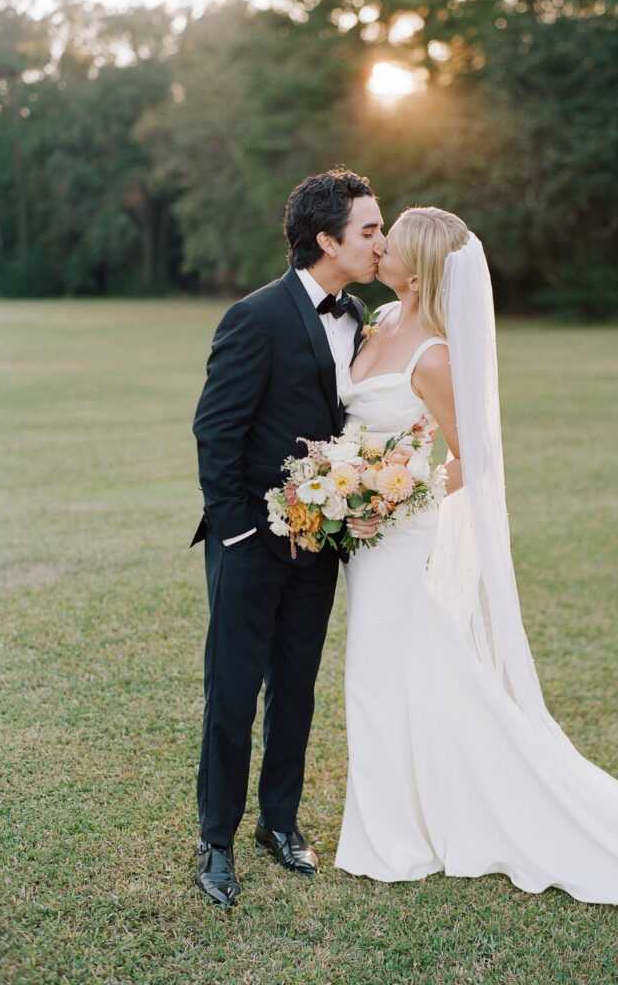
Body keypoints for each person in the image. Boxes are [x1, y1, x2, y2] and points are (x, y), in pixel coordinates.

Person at [335, 206, 618, 945]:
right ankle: (412, 812)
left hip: (397, 534)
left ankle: (394, 834)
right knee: (397, 673)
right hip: (366, 538)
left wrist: (391, 499)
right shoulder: (382, 317)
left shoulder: (430, 351)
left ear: (419, 265)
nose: (380, 244)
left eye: (389, 239)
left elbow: (473, 459)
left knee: (376, 671)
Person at [191, 169, 385, 905]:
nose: (380, 242)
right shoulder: (255, 316)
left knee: (296, 690)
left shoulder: (357, 313)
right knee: (232, 694)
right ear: (327, 238)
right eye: (369, 230)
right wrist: (241, 532)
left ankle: (280, 823)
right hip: (250, 544)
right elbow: (217, 430)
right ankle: (215, 841)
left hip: (320, 546)